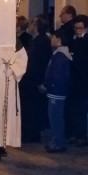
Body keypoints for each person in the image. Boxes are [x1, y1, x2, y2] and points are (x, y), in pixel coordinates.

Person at [19, 15, 52, 143]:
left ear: (37, 27)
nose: (30, 26)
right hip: (28, 81)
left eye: (32, 24)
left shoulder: (43, 42)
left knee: (33, 109)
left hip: (34, 81)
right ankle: (28, 133)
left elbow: (41, 64)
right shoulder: (34, 40)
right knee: (28, 108)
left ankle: (32, 134)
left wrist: (40, 82)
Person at [40, 28, 72, 153]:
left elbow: (55, 74)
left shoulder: (60, 56)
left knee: (55, 117)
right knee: (55, 117)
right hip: (57, 90)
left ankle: (58, 142)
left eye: (53, 37)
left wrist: (46, 85)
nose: (51, 39)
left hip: (56, 91)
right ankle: (56, 140)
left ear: (58, 39)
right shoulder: (60, 54)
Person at [66, 14, 88, 148]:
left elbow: (80, 60)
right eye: (76, 28)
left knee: (81, 111)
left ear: (86, 28)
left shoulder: (87, 41)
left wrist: (72, 56)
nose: (77, 30)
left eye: (80, 28)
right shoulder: (74, 40)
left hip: (82, 82)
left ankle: (82, 137)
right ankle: (73, 134)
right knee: (73, 110)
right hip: (73, 81)